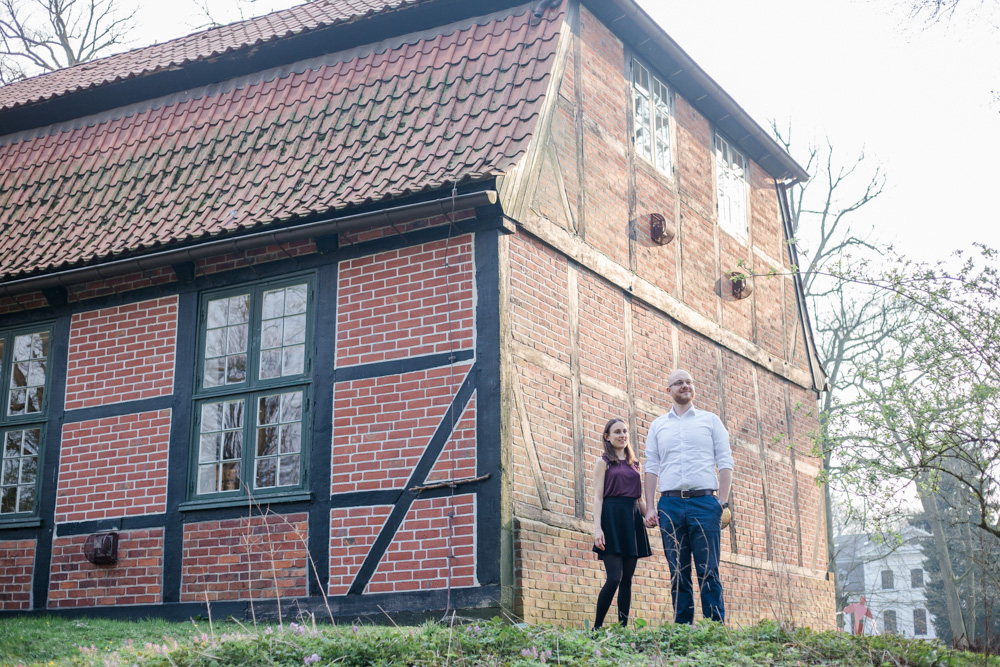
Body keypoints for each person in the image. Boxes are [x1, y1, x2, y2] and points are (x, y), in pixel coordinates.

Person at [643, 369, 734, 624]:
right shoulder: (658, 425)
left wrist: (722, 502)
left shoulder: (711, 420)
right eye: (679, 382)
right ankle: (682, 631)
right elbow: (651, 466)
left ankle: (715, 629)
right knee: (678, 571)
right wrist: (650, 508)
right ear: (668, 390)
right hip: (670, 504)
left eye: (689, 381)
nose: (685, 385)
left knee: (709, 570)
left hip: (705, 503)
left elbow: (726, 461)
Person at [592, 417, 652, 629]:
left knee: (627, 580)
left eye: (625, 431)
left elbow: (639, 499)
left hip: (632, 520)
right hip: (611, 520)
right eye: (617, 432)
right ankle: (596, 628)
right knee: (614, 577)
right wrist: (597, 529)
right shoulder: (604, 462)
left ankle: (622, 630)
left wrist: (649, 516)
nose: (622, 435)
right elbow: (598, 497)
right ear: (607, 437)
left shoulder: (634, 464)